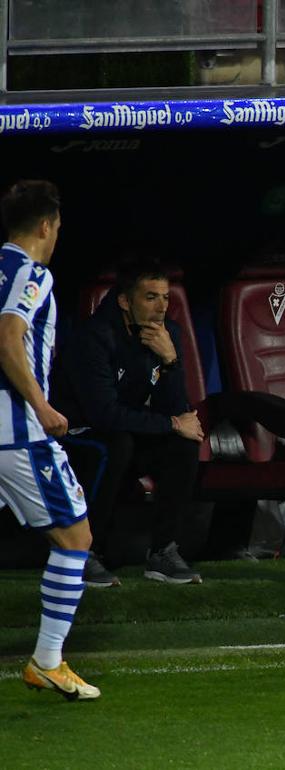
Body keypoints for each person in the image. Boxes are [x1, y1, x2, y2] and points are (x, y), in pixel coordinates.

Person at [0, 180, 99, 700]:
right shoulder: (30, 273)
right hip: (16, 435)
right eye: (57, 227)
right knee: (74, 539)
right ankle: (47, 660)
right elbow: (9, 334)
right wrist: (40, 405)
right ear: (45, 226)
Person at [52, 258, 204, 587]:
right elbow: (103, 414)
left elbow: (175, 408)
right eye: (151, 297)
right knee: (116, 443)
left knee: (182, 444)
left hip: (124, 432)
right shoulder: (93, 338)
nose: (161, 307)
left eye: (166, 297)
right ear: (125, 300)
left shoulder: (167, 335)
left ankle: (163, 552)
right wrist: (173, 423)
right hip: (74, 436)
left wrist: (171, 360)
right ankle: (83, 553)